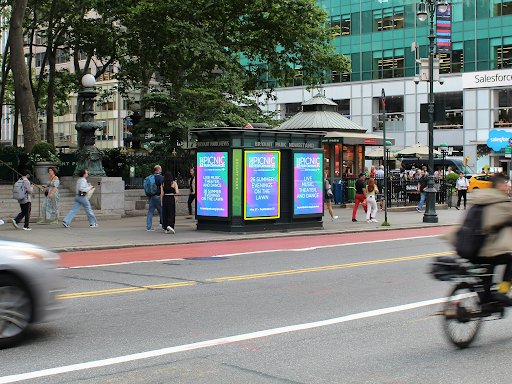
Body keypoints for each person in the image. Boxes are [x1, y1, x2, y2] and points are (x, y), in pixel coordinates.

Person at [445, 173, 512, 305]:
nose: (507, 187)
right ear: (499, 186)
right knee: (509, 259)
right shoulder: (497, 201)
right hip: (479, 249)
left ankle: (485, 299)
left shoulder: (480, 198)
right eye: (506, 185)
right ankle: (502, 292)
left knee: (489, 266)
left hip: (464, 246)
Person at [146, 165, 164, 231]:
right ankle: (163, 225)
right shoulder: (161, 178)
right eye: (161, 169)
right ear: (158, 170)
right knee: (162, 211)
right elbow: (162, 187)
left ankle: (149, 227)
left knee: (150, 212)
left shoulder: (151, 177)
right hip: (158, 197)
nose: (161, 170)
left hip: (151, 197)